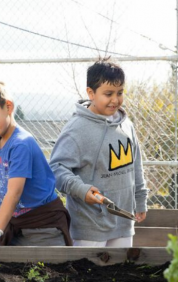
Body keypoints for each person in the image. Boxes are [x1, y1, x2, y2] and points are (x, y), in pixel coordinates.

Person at [0, 81, 72, 252]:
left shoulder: (21, 144)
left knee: (47, 273)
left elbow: (14, 193)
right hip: (18, 225)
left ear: (8, 106)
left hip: (43, 227)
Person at [49, 59, 148, 247]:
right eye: (108, 93)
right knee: (89, 275)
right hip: (89, 226)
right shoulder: (76, 130)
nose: (115, 100)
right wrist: (81, 189)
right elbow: (56, 169)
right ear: (91, 93)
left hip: (123, 222)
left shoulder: (126, 125)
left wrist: (140, 200)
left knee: (119, 273)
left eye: (120, 93)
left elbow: (136, 166)